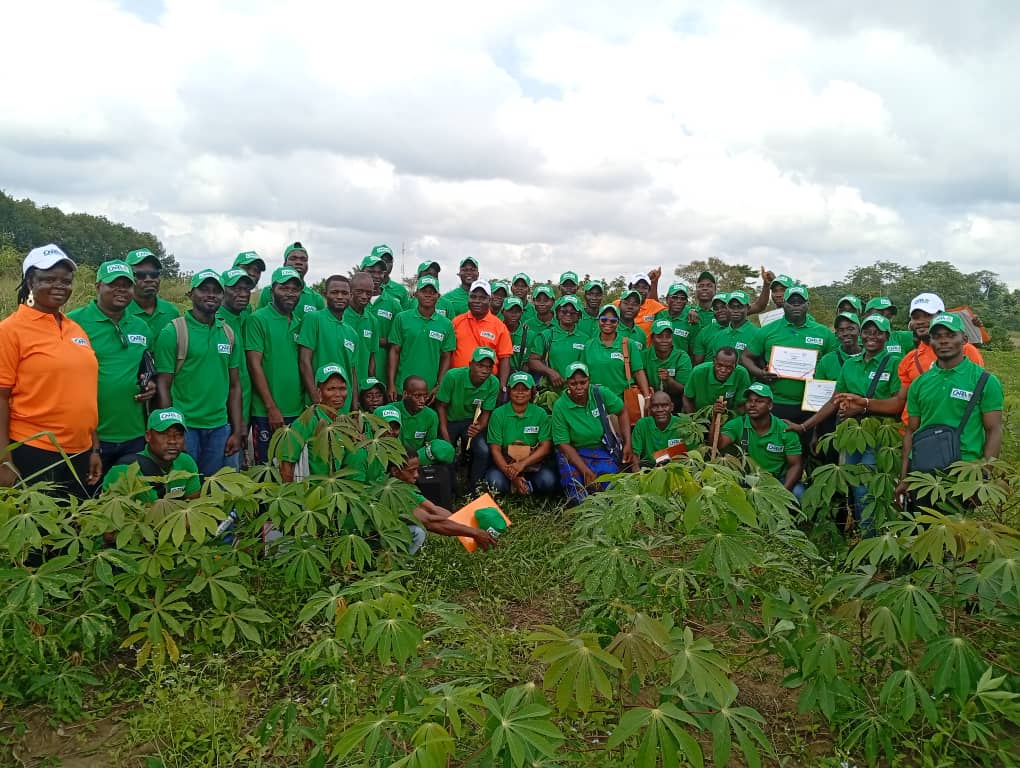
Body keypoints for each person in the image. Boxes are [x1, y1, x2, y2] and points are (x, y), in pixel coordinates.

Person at [0, 245, 101, 495]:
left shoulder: (75, 329)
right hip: (34, 450)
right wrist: (3, 460)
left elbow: (85, 392)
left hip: (80, 450)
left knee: (76, 518)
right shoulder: (10, 330)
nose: (59, 286)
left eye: (66, 281)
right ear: (30, 282)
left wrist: (94, 448)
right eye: (48, 279)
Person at [789, 314, 902, 530]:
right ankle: (860, 533)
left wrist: (863, 405)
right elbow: (835, 399)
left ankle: (870, 536)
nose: (871, 336)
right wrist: (805, 426)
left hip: (880, 435)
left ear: (887, 336)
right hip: (852, 434)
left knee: (866, 487)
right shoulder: (851, 364)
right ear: (861, 334)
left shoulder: (895, 363)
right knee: (853, 485)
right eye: (867, 332)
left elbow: (897, 404)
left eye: (878, 332)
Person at [896, 313, 1002, 504]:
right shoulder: (919, 383)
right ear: (930, 341)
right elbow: (912, 431)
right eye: (937, 336)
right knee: (920, 522)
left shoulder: (985, 380)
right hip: (923, 471)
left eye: (951, 335)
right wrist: (905, 477)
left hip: (964, 472)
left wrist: (984, 477)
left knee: (956, 523)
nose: (943, 341)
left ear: (964, 339)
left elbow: (993, 430)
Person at [68, 260, 156, 475]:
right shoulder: (73, 323)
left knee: (131, 493)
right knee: (90, 493)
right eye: (113, 284)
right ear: (98, 286)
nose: (121, 290)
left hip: (134, 433)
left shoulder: (141, 327)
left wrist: (150, 384)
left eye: (126, 285)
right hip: (91, 436)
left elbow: (146, 367)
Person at [153, 270, 244, 476]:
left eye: (216, 291)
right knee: (186, 487)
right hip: (186, 428)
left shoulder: (228, 334)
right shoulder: (173, 332)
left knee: (217, 487)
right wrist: (171, 432)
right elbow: (163, 385)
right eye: (204, 289)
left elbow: (234, 385)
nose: (210, 295)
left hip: (220, 428)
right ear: (191, 294)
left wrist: (237, 430)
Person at [741, 285, 837, 431]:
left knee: (807, 443)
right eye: (792, 302)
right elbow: (745, 357)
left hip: (811, 405)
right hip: (775, 402)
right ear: (784, 304)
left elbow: (835, 363)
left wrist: (820, 376)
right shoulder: (767, 330)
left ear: (808, 304)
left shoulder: (824, 333)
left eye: (800, 302)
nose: (796, 305)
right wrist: (760, 373)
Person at [550, 362, 631, 505]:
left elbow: (622, 411)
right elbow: (563, 444)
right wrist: (585, 471)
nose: (579, 387)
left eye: (583, 382)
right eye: (573, 383)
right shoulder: (560, 406)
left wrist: (627, 443)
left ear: (589, 380)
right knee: (577, 491)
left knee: (612, 488)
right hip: (573, 452)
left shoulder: (600, 393)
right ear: (567, 383)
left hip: (600, 449)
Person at [246, 267, 305, 464]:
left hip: (296, 411)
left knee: (292, 468)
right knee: (267, 468)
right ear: (272, 291)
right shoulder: (258, 319)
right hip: (267, 413)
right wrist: (271, 407)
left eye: (295, 289)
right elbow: (254, 364)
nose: (290, 293)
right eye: (284, 288)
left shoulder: (299, 322)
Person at [388, 454, 498, 552]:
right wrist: (474, 533)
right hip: (384, 534)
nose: (417, 475)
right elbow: (429, 521)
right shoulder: (392, 494)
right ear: (395, 471)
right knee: (418, 532)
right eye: (411, 470)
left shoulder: (405, 487)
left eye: (417, 469)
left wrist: (467, 525)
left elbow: (433, 509)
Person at [718, 383, 804, 501]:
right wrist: (716, 417)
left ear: (770, 406)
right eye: (749, 401)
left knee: (799, 493)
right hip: (747, 478)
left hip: (777, 480)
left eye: (759, 401)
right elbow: (718, 444)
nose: (752, 405)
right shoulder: (737, 424)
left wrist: (783, 493)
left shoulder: (785, 430)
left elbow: (796, 465)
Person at [102, 408, 201, 502]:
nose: (172, 441)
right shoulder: (123, 470)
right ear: (148, 436)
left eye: (178, 435)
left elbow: (193, 507)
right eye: (164, 434)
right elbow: (110, 510)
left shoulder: (186, 462)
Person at [436, 347, 500, 491]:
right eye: (480, 365)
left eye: (489, 367)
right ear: (470, 364)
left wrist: (479, 427)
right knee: (446, 451)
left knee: (483, 450)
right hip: (449, 419)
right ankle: (450, 488)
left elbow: (486, 413)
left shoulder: (493, 383)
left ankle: (474, 488)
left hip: (471, 421)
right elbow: (441, 406)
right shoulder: (453, 376)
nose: (484, 371)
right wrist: (445, 435)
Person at [278, 364, 356, 482]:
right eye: (331, 389)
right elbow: (286, 463)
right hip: (311, 490)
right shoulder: (308, 420)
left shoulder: (342, 421)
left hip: (334, 487)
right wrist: (289, 491)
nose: (338, 394)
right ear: (319, 392)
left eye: (342, 388)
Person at [485, 371, 557, 495]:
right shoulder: (498, 414)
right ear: (509, 391)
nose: (520, 393)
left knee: (548, 482)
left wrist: (522, 464)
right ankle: (516, 484)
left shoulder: (540, 413)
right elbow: (495, 450)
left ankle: (525, 486)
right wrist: (512, 476)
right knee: (495, 483)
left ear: (532, 391)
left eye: (525, 389)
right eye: (516, 389)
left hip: (531, 463)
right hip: (506, 464)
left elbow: (545, 447)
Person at [388, 275, 455, 401]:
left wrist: (439, 385)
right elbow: (394, 351)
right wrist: (391, 383)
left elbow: (446, 357)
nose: (428, 295)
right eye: (424, 291)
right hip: (403, 387)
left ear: (438, 296)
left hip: (429, 391)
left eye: (432, 292)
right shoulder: (401, 318)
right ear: (416, 294)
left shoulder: (446, 324)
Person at [298, 275, 359, 410]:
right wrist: (315, 397)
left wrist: (354, 405)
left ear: (350, 296)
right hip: (318, 403)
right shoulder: (313, 319)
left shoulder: (352, 333)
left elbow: (352, 372)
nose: (340, 297)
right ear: (326, 294)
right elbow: (304, 361)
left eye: (344, 293)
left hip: (344, 406)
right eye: (334, 292)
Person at [218, 269, 258, 443]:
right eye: (236, 289)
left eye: (246, 289)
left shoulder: (246, 316)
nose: (243, 294)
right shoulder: (216, 321)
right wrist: (237, 420)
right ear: (222, 290)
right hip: (224, 415)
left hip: (246, 406)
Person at [451, 281, 512, 392]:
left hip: (486, 386)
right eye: (473, 297)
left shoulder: (500, 327)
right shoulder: (456, 322)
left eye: (482, 298)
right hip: (457, 384)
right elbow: (447, 353)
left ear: (490, 299)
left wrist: (502, 386)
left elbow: (505, 358)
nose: (477, 301)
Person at [582, 304, 651, 400]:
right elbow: (583, 375)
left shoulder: (629, 344)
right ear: (598, 321)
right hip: (595, 400)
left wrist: (647, 397)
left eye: (613, 320)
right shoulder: (588, 345)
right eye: (604, 319)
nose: (608, 323)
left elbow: (639, 372)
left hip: (622, 400)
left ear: (618, 323)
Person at [256, 242, 325, 319]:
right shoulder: (268, 291)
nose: (299, 262)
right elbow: (260, 318)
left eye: (303, 259)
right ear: (284, 264)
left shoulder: (316, 298)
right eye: (293, 258)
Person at [529, 295, 587, 387]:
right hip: (551, 389)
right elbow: (532, 361)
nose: (568, 314)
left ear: (578, 316)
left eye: (573, 312)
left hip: (577, 389)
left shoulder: (585, 339)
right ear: (557, 313)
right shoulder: (546, 335)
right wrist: (550, 372)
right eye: (564, 311)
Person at [125, 247, 181, 339]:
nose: (149, 279)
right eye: (140, 275)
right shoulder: (119, 313)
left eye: (154, 274)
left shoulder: (171, 312)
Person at [630, 391, 695, 469]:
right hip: (649, 470)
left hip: (678, 469)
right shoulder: (642, 424)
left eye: (664, 405)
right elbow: (635, 457)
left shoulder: (684, 425)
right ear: (650, 408)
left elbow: (693, 454)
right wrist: (638, 474)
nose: (660, 409)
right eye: (655, 406)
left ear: (672, 407)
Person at [643, 318, 693, 409]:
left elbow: (685, 389)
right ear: (652, 338)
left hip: (674, 400)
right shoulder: (644, 356)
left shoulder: (682, 357)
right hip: (649, 397)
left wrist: (669, 380)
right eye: (659, 336)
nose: (664, 340)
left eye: (668, 336)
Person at [682, 347, 751, 413]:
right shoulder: (698, 372)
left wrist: (732, 418)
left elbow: (742, 404)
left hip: (728, 415)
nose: (723, 370)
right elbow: (687, 398)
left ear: (735, 365)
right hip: (699, 414)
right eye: (719, 365)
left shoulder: (742, 374)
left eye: (729, 367)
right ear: (714, 361)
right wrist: (693, 419)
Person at [704, 291, 762, 360]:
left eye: (740, 307)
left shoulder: (758, 334)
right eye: (732, 307)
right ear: (727, 308)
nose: (735, 310)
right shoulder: (718, 336)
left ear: (748, 308)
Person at [344, 271, 378, 383]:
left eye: (369, 293)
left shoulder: (373, 321)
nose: (364, 296)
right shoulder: (340, 315)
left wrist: (371, 382)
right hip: (340, 383)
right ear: (350, 291)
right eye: (359, 291)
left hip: (362, 382)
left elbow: (372, 356)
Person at [393, 376, 440, 454]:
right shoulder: (392, 410)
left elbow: (429, 445)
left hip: (417, 457)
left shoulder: (431, 416)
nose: (422, 401)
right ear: (405, 394)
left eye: (425, 396)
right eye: (417, 396)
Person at [653, 282, 700, 355]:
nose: (678, 301)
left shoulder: (692, 321)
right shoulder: (658, 315)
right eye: (674, 297)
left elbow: (694, 351)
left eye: (682, 298)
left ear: (686, 301)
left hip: (681, 361)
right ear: (667, 299)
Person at [815, 312, 862, 382]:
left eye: (850, 329)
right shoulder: (826, 361)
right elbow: (817, 386)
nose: (845, 333)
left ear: (859, 331)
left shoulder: (871, 358)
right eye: (841, 330)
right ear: (836, 334)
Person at [615, 271, 665, 336]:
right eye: (636, 287)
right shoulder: (617, 304)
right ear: (630, 288)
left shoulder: (654, 306)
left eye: (645, 288)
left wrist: (654, 282)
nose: (640, 290)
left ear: (649, 290)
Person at [691, 293, 731, 365]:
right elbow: (697, 362)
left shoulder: (744, 330)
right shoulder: (704, 332)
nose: (720, 310)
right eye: (716, 308)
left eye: (724, 307)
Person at [373, 244, 412, 310]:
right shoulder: (363, 288)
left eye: (388, 261)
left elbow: (404, 314)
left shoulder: (401, 290)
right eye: (381, 260)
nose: (385, 264)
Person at [501, 297, 530, 373]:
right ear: (502, 311)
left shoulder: (529, 335)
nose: (513, 315)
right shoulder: (497, 331)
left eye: (517, 311)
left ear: (522, 313)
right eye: (510, 311)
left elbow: (528, 363)